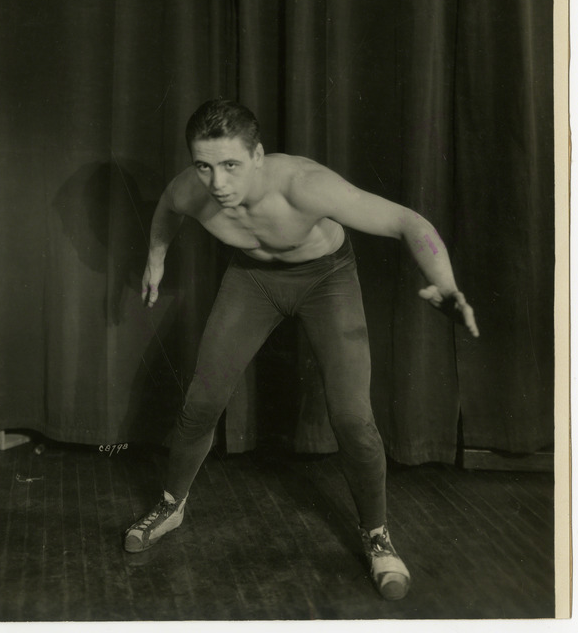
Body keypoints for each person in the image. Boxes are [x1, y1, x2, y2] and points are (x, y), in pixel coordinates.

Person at [124, 100, 479, 601]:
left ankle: (376, 535)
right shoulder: (191, 190)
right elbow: (166, 207)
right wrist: (155, 260)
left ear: (259, 156)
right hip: (252, 281)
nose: (218, 183)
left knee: (354, 418)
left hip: (326, 280)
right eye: (204, 165)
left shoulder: (306, 185)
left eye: (231, 165)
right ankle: (171, 503)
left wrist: (443, 282)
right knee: (201, 403)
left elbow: (409, 222)